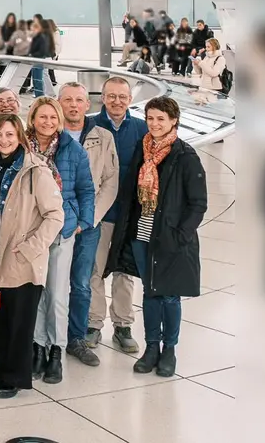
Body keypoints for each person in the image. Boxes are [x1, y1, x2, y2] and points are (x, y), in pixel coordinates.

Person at [102, 96, 207, 377]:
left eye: (161, 118)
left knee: (170, 296)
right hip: (142, 235)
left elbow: (198, 203)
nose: (155, 123)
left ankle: (169, 349)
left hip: (169, 238)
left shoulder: (185, 156)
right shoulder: (143, 149)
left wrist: (180, 236)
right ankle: (151, 348)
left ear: (174, 120)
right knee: (150, 292)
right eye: (150, 118)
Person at [0, 113, 63, 398]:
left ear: (20, 136)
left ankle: (14, 376)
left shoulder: (35, 169)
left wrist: (31, 248)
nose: (4, 140)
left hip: (20, 257)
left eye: (10, 134)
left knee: (19, 322)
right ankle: (0, 365)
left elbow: (55, 216)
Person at [24, 96, 93, 385]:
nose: (48, 122)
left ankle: (56, 350)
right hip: (30, 229)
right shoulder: (22, 146)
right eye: (43, 117)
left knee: (57, 295)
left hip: (62, 230)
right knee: (36, 292)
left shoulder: (72, 149)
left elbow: (86, 189)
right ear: (33, 119)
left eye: (53, 117)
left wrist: (82, 222)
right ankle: (37, 346)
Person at [55, 84, 120, 370]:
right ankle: (47, 339)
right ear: (59, 103)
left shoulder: (102, 137)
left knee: (81, 282)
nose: (73, 105)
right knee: (50, 283)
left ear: (87, 104)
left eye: (79, 100)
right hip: (53, 223)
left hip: (89, 224)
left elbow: (110, 181)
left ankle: (76, 338)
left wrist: (89, 219)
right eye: (67, 100)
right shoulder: (49, 135)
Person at [85, 76, 148, 353]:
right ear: (103, 97)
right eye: (111, 96)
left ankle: (123, 324)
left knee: (125, 271)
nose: (117, 101)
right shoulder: (91, 127)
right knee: (94, 269)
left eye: (122, 96)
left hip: (130, 215)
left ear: (130, 99)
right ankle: (94, 323)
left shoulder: (142, 129)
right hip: (100, 213)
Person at [192, 37, 227, 103]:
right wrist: (196, 64)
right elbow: (200, 72)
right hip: (204, 87)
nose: (206, 49)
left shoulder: (220, 59)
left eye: (208, 47)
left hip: (214, 89)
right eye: (206, 47)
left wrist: (201, 63)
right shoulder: (206, 57)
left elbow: (214, 73)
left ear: (214, 47)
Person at [26, 17, 54, 96]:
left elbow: (42, 51)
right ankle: (38, 96)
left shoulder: (41, 37)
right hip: (35, 60)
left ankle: (40, 96)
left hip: (38, 60)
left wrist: (32, 54)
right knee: (36, 80)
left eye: (32, 28)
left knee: (38, 80)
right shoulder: (36, 37)